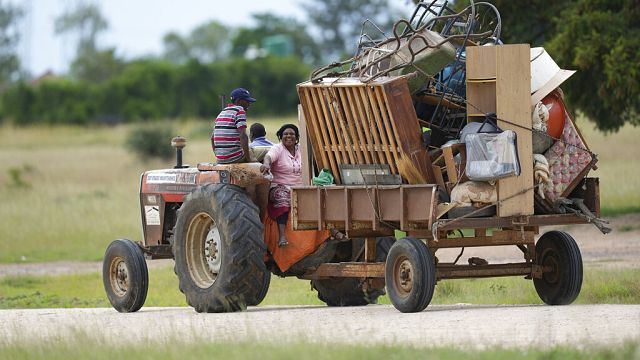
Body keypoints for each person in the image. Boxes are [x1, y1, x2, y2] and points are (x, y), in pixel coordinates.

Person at [261, 124, 302, 247]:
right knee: (282, 197)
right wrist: (266, 164)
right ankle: (282, 236)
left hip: (300, 187)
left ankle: (333, 231)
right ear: (281, 136)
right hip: (280, 186)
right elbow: (268, 157)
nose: (289, 136)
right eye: (285, 134)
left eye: (292, 134)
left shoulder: (301, 149)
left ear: (297, 137)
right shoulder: (278, 148)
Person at [211, 88, 256, 164]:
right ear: (239, 101)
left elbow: (212, 138)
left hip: (220, 160)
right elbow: (243, 136)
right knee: (261, 152)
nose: (249, 104)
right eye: (247, 101)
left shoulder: (222, 112)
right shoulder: (240, 110)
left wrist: (218, 156)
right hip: (235, 157)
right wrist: (249, 159)